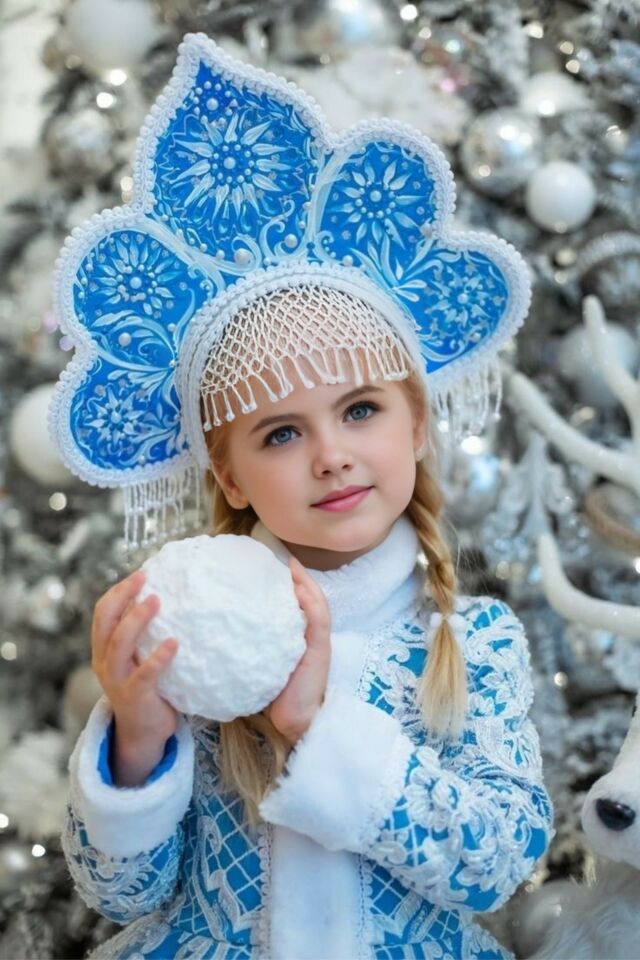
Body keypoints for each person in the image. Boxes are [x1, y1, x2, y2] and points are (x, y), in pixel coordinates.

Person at [53, 34, 554, 960]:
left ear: (415, 423)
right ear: (230, 477)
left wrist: (318, 725)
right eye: (280, 433)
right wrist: (139, 741)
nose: (331, 456)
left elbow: (498, 863)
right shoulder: (188, 639)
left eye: (360, 409)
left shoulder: (470, 641)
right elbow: (119, 893)